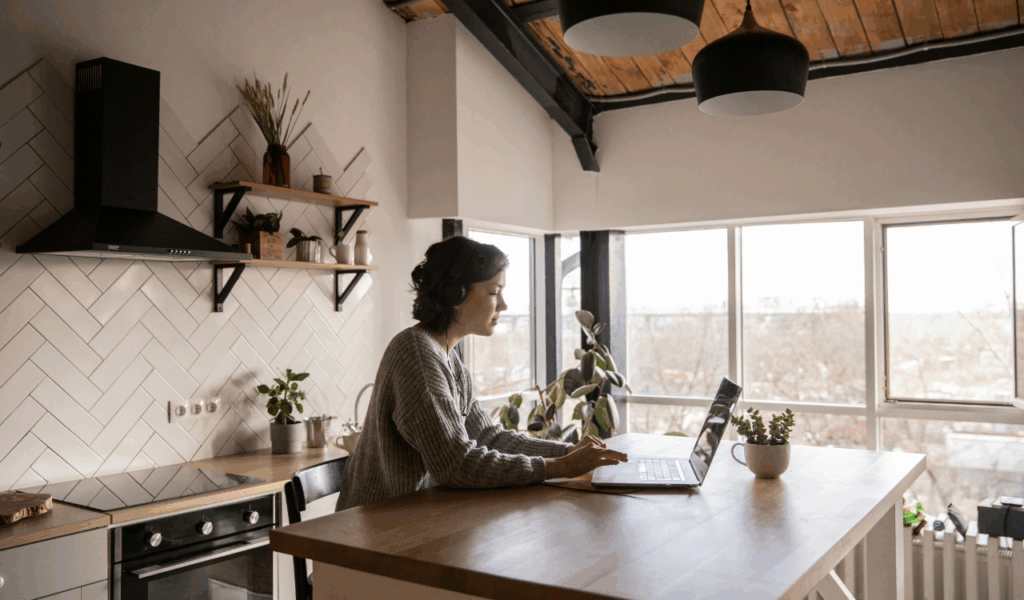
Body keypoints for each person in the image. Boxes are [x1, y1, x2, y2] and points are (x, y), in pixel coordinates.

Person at [336, 235, 628, 511]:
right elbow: (456, 465)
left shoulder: (447, 356)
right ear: (455, 294)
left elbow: (488, 437)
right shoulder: (417, 356)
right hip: (374, 527)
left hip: (414, 516)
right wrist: (560, 467)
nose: (503, 304)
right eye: (494, 292)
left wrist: (566, 452)